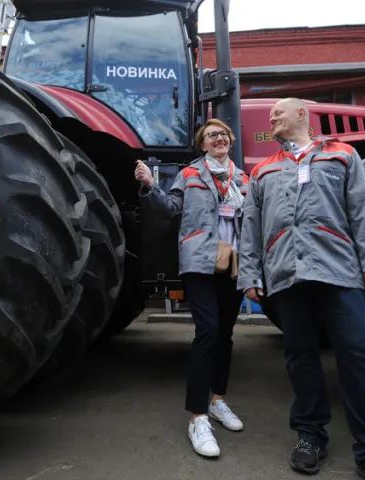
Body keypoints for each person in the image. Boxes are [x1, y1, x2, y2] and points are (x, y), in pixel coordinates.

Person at [237, 98, 365, 480]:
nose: (272, 117)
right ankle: (310, 436)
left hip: (341, 272)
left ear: (303, 114)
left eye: (279, 112)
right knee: (301, 358)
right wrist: (249, 276)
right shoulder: (263, 170)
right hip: (286, 275)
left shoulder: (342, 156)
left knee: (360, 357)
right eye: (270, 116)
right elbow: (249, 229)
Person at [134, 118, 250, 458]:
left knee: (226, 334)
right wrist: (150, 186)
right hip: (200, 262)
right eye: (212, 135)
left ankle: (219, 401)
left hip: (233, 265)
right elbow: (169, 211)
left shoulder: (243, 179)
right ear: (202, 145)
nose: (219, 139)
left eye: (224, 135)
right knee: (208, 332)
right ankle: (198, 416)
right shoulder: (189, 175)